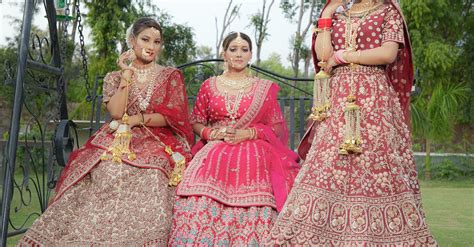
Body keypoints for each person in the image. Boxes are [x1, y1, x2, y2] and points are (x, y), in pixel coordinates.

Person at [265, 0, 438, 245]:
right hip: (336, 99)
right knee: (325, 166)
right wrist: (327, 11)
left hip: (374, 99)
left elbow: (387, 53)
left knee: (374, 165)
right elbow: (324, 57)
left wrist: (344, 55)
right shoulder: (337, 14)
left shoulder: (388, 11)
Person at [18, 17, 193, 246]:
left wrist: (138, 120)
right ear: (132, 40)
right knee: (108, 168)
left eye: (157, 41)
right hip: (118, 136)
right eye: (145, 39)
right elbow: (118, 112)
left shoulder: (170, 76)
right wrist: (126, 75)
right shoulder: (114, 77)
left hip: (158, 137)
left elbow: (173, 116)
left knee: (152, 171)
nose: (151, 46)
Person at [169, 32, 300, 246]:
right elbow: (196, 120)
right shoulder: (209, 85)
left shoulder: (262, 88)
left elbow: (276, 127)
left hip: (253, 147)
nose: (239, 54)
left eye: (244, 50)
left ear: (250, 55)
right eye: (233, 49)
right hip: (215, 146)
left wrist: (248, 133)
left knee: (254, 168)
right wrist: (211, 134)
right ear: (224, 53)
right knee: (200, 176)